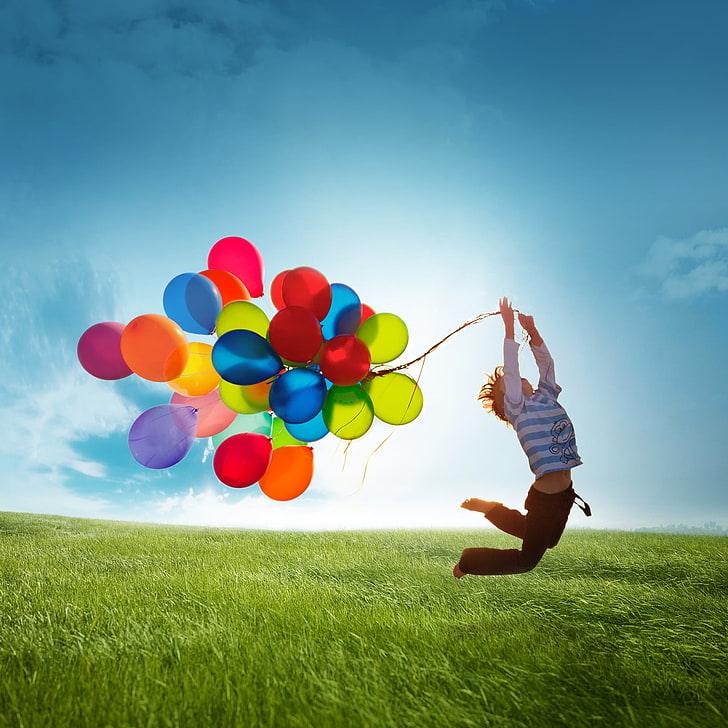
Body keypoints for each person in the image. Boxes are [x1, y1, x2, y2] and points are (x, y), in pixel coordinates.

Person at [453, 296, 590, 578]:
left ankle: (491, 509)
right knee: (527, 561)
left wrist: (534, 333)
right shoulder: (519, 409)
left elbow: (547, 365)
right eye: (509, 384)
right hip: (545, 498)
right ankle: (468, 562)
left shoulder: (546, 396)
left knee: (548, 540)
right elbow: (512, 370)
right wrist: (509, 327)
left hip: (564, 493)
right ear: (508, 398)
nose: (517, 380)